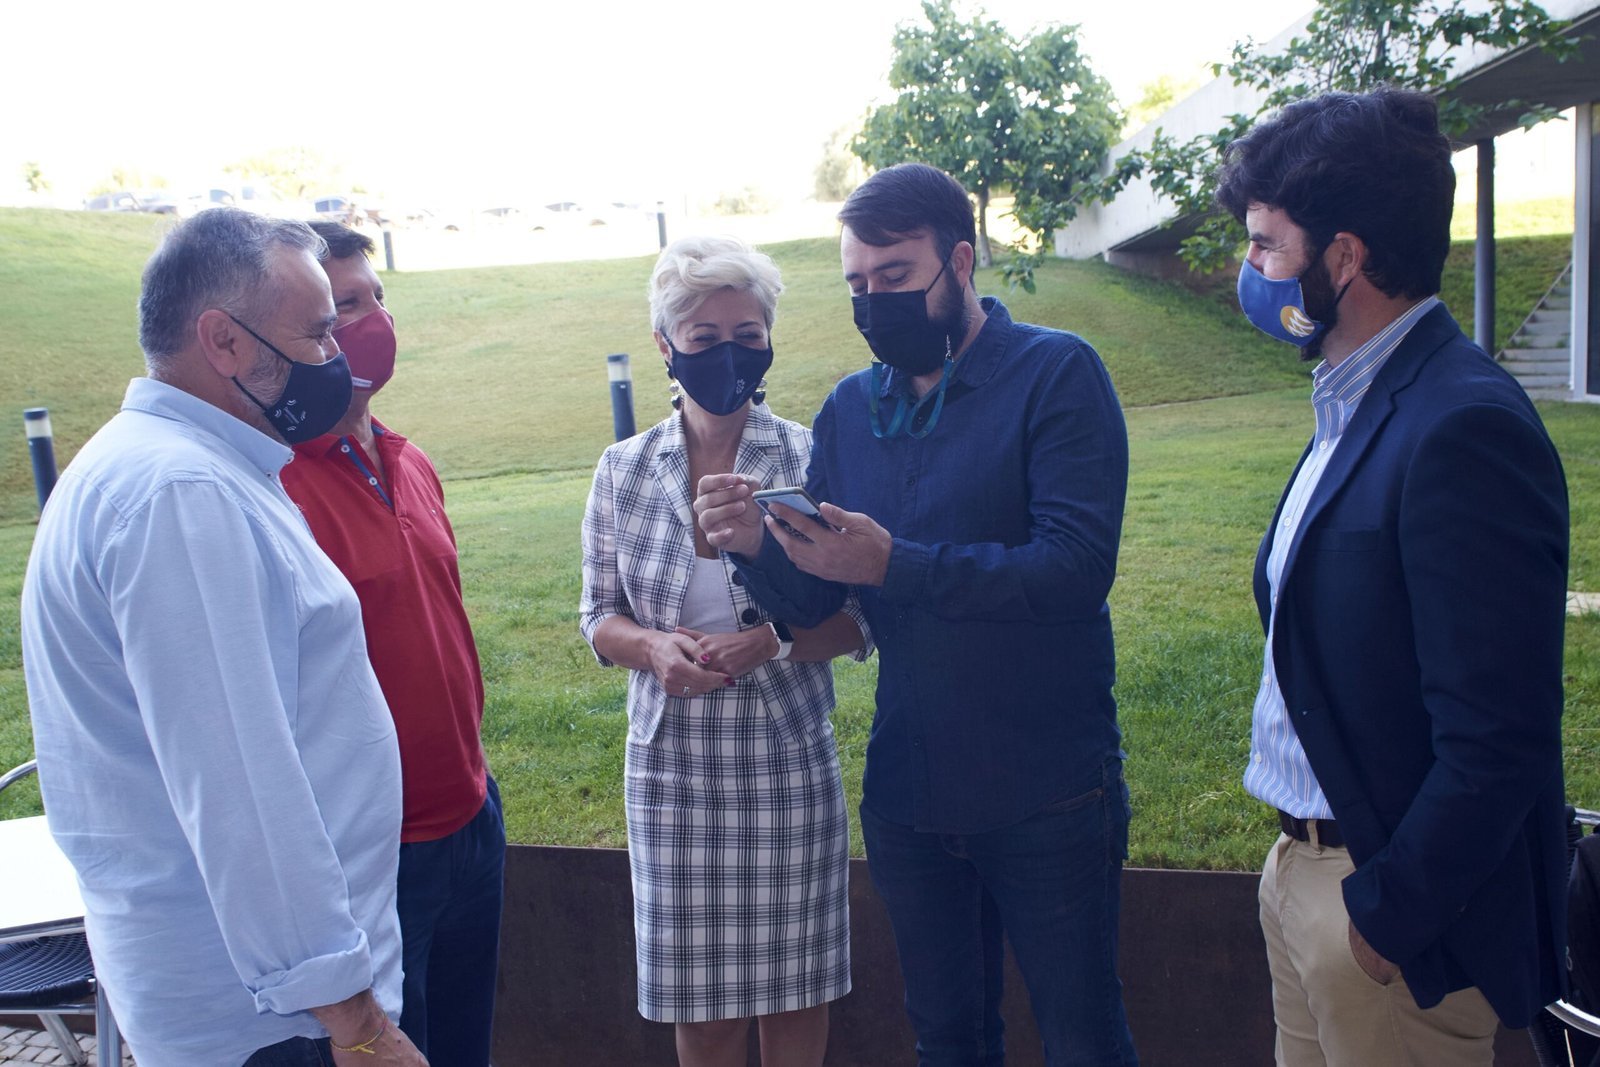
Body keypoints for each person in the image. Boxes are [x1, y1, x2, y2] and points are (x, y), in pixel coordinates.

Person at [695, 163, 1137, 1066]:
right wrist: (757, 546)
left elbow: (1075, 570)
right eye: (856, 283)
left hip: (1047, 788)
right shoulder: (851, 409)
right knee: (947, 1041)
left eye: (894, 275)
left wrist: (895, 563)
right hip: (910, 794)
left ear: (960, 261)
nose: (873, 301)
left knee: (1083, 1039)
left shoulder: (1056, 373)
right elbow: (819, 601)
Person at [20, 208, 425, 1066]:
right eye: (317, 332)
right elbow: (243, 788)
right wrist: (360, 1026)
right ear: (225, 341)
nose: (336, 355)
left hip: (269, 1007)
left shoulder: (183, 470)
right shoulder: (180, 493)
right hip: (275, 1022)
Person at [1216, 88, 1570, 1065]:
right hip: (1304, 877)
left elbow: (1500, 735)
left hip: (1380, 926)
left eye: (1265, 244)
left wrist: (1382, 919)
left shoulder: (1464, 425)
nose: (1249, 269)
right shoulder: (1354, 402)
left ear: (1343, 256)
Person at [579, 235, 870, 1067]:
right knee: (700, 1007)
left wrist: (771, 642)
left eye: (747, 334)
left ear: (770, 338)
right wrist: (651, 648)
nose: (729, 354)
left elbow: (859, 621)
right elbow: (598, 616)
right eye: (704, 338)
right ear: (666, 346)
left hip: (786, 763)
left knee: (797, 994)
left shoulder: (809, 458)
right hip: (672, 771)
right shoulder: (623, 470)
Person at [279, 221, 505, 1065]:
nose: (375, 319)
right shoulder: (278, 487)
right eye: (346, 307)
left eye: (378, 297)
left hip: (473, 817)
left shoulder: (411, 461)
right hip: (376, 851)